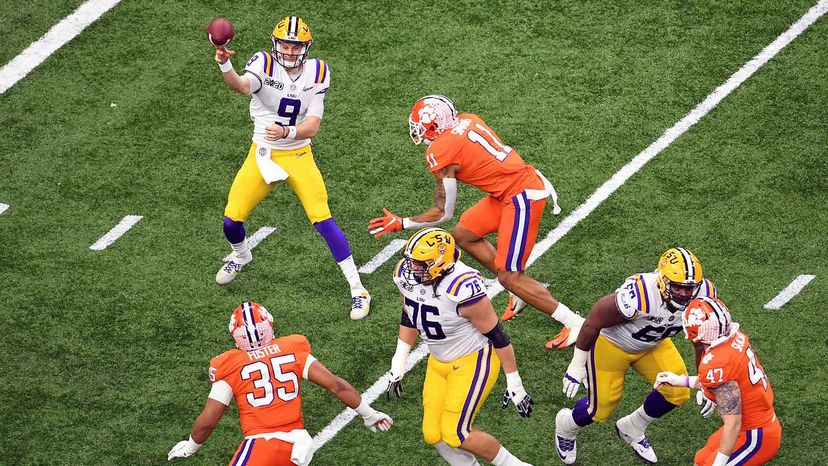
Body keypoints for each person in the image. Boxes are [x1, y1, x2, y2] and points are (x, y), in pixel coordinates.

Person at [368, 95, 583, 348]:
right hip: (508, 190)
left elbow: (442, 212)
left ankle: (574, 322)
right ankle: (520, 293)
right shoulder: (469, 119)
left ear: (433, 126)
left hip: (521, 196)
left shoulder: (441, 150)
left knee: (509, 277)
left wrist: (401, 222)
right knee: (464, 233)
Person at [212, 16, 371, 320]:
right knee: (231, 222)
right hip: (263, 154)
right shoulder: (264, 63)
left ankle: (358, 289)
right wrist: (223, 63)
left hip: (298, 153)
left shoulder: (318, 71)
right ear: (275, 43)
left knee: (323, 219)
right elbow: (241, 86)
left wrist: (287, 133)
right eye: (285, 43)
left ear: (305, 47)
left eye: (295, 44)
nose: (289, 49)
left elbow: (312, 126)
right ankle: (242, 255)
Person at [167, 301, 392, 465]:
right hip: (296, 443)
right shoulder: (291, 348)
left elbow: (208, 420)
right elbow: (337, 385)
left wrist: (190, 447)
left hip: (264, 445)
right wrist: (369, 414)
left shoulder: (230, 364)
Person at [554, 247, 719, 464]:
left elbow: (702, 343)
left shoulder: (704, 294)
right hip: (612, 343)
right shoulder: (641, 293)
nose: (685, 294)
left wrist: (705, 379)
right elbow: (594, 320)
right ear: (663, 281)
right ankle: (566, 426)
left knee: (678, 392)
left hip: (653, 344)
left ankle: (632, 427)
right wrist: (578, 363)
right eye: (678, 287)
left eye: (690, 288)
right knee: (600, 409)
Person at [384, 227, 534, 466]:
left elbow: (498, 336)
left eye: (420, 264)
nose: (412, 269)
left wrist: (514, 381)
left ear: (439, 263)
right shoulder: (405, 277)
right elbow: (410, 314)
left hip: (473, 360)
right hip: (438, 362)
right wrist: (398, 362)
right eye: (412, 262)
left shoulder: (462, 288)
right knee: (433, 434)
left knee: (457, 433)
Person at [654, 297, 781, 466]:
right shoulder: (735, 338)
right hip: (753, 426)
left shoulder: (717, 363)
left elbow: (733, 423)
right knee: (700, 460)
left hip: (755, 434)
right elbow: (729, 383)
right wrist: (681, 380)